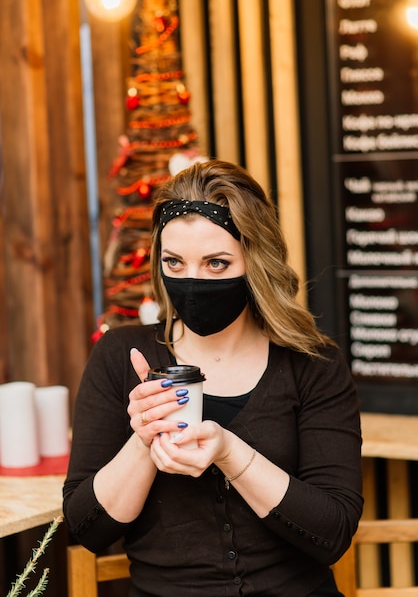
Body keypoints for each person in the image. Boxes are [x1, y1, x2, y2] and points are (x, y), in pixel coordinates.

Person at [63, 159, 363, 597]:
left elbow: (332, 532)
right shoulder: (119, 356)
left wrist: (229, 452)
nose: (192, 281)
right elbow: (88, 529)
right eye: (174, 262)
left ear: (255, 260)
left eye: (217, 263)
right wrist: (144, 438)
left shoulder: (311, 362)